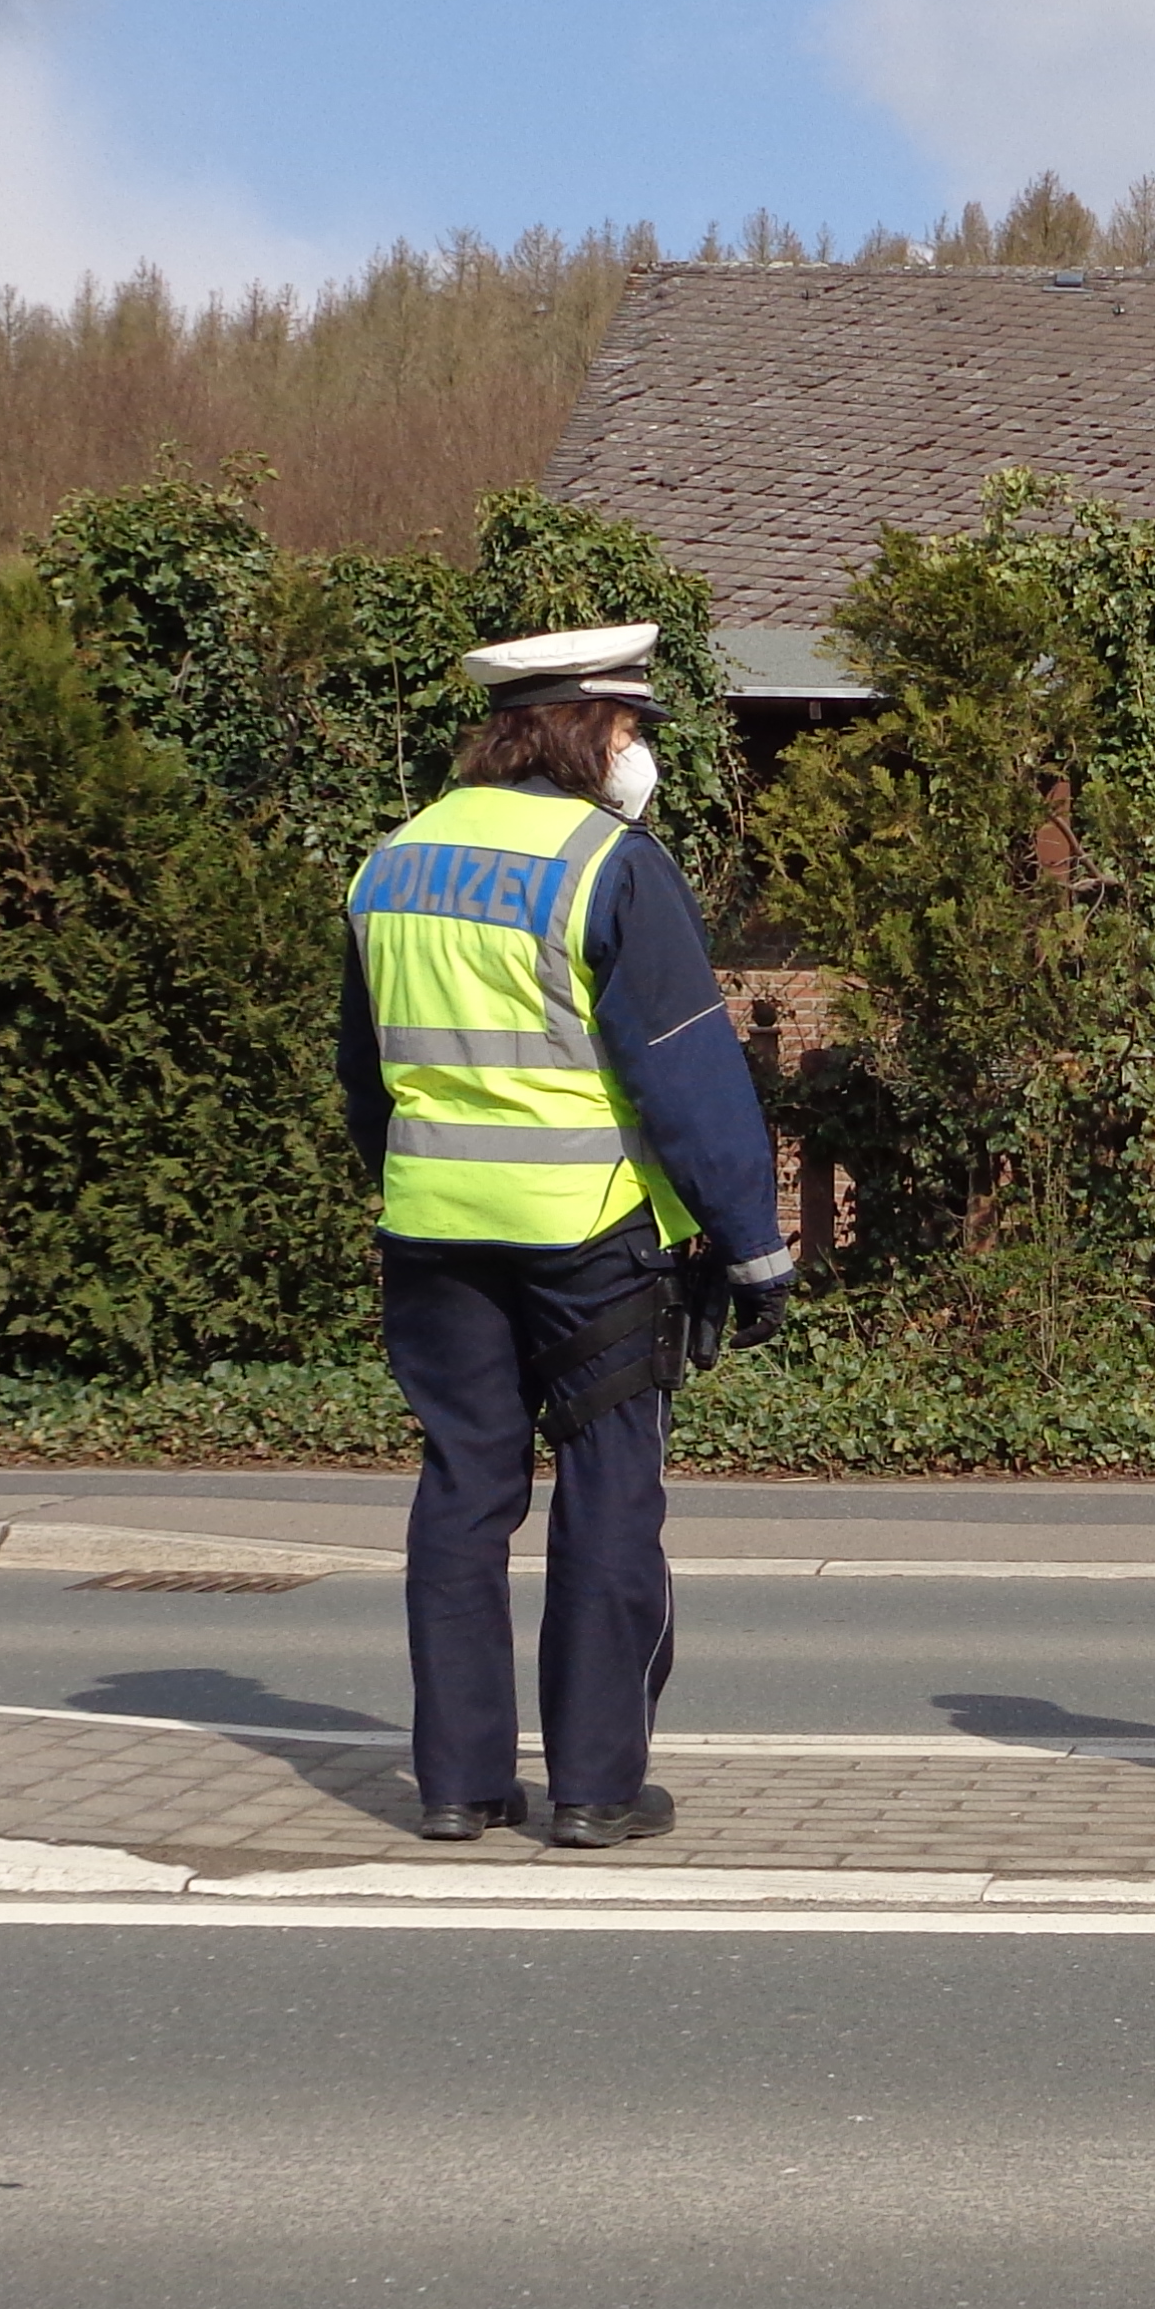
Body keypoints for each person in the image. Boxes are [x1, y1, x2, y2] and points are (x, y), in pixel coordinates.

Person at [341, 625, 794, 1849]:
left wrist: (418, 1182)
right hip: (586, 1233)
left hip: (432, 1230)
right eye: (633, 729)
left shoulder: (390, 861)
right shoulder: (608, 864)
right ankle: (593, 1789)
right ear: (580, 726)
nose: (640, 753)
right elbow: (685, 1075)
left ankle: (456, 1786)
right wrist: (752, 1246)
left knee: (461, 1495)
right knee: (606, 1498)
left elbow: (364, 1075)